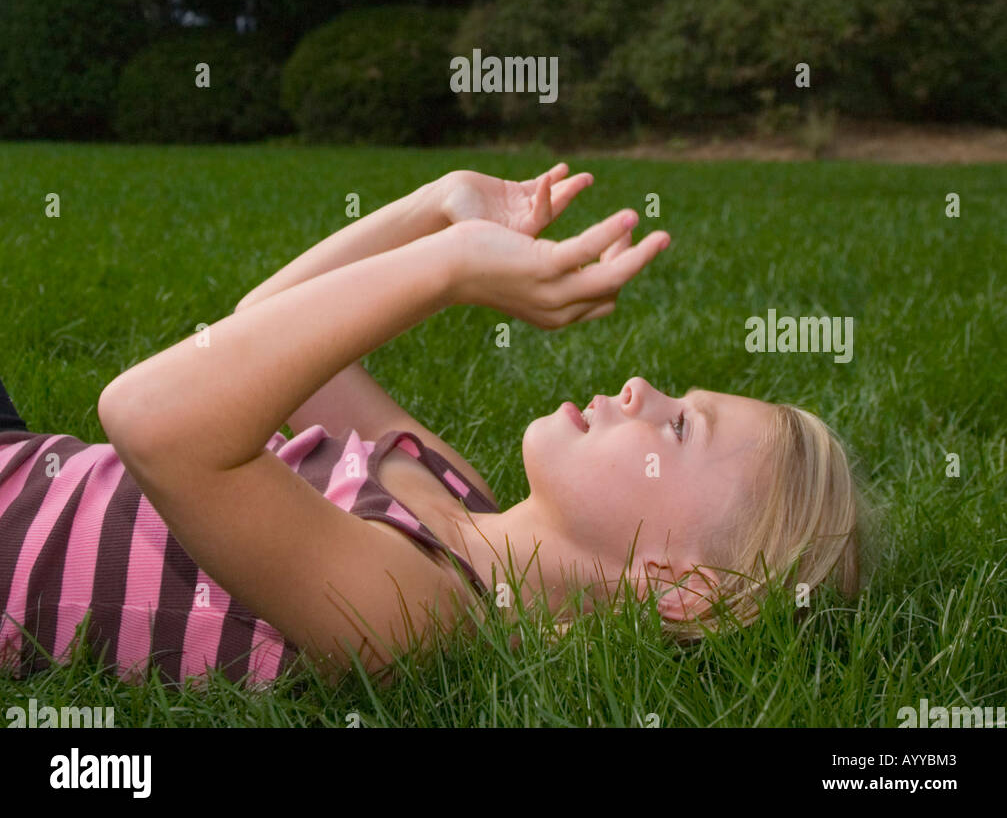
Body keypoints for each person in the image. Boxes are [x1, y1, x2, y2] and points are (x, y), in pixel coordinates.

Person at [0, 163, 860, 688]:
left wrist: (448, 269)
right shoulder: (452, 487)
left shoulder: (419, 619)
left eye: (679, 430)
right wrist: (434, 209)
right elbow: (272, 321)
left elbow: (154, 420)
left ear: (682, 585)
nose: (639, 386)